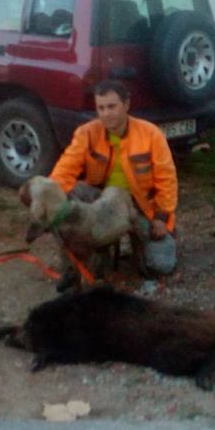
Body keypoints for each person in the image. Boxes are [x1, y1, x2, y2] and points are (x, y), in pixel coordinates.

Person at [50, 79, 178, 285]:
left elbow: (167, 178)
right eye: (101, 108)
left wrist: (162, 216)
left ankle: (138, 244)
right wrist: (52, 198)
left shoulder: (150, 133)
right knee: (63, 202)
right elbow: (65, 168)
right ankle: (75, 265)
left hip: (140, 205)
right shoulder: (87, 133)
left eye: (112, 106)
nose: (106, 113)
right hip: (100, 201)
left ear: (126, 105)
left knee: (161, 265)